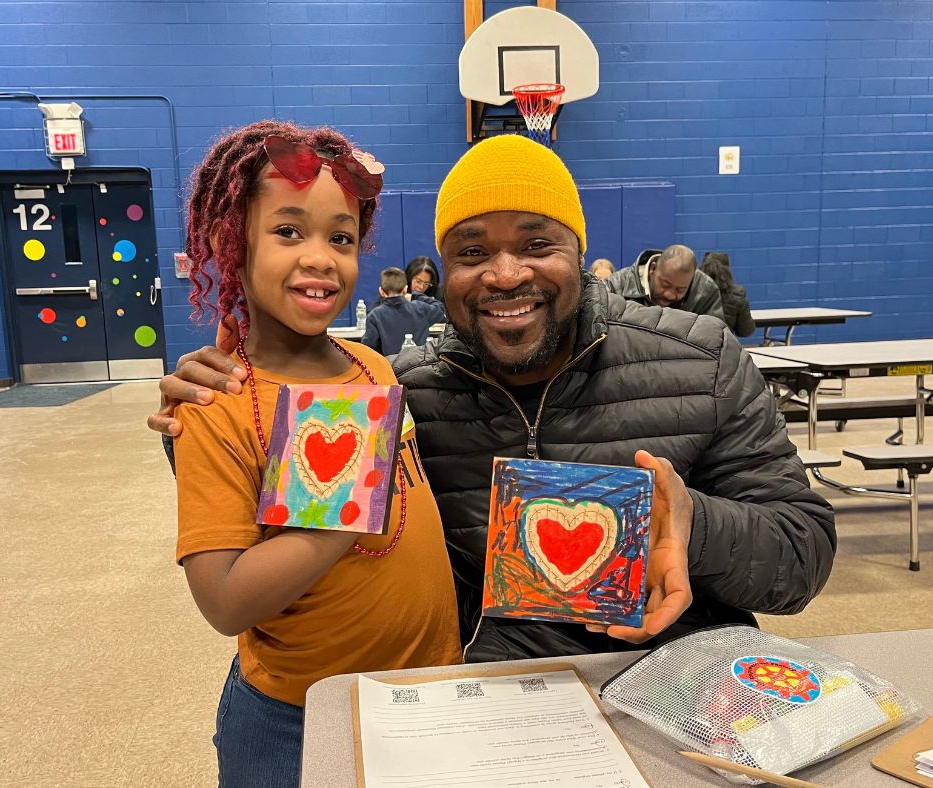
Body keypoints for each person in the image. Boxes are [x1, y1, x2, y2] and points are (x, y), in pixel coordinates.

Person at [149, 134, 836, 665]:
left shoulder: (703, 360)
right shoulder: (407, 389)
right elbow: (280, 478)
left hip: (675, 684)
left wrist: (691, 525)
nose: (506, 274)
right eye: (472, 251)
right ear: (442, 273)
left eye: (538, 244)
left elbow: (802, 557)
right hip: (486, 699)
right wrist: (210, 398)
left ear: (580, 251)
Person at [169, 120, 460, 786]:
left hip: (428, 687)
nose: (321, 257)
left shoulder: (373, 368)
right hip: (294, 718)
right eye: (288, 231)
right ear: (232, 244)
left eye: (341, 238)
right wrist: (350, 509)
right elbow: (224, 602)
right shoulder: (218, 399)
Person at [606, 244, 725, 321]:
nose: (670, 294)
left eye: (680, 290)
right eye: (665, 284)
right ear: (653, 269)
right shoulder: (615, 287)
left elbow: (714, 343)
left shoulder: (706, 291)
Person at [362, 266, 446, 355]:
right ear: (405, 289)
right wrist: (415, 296)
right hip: (420, 365)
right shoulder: (420, 308)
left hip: (390, 366)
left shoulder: (374, 316)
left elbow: (368, 349)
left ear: (381, 291)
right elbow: (440, 308)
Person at [700, 251, 756, 337]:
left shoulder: (693, 290)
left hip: (694, 346)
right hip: (723, 347)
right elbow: (745, 331)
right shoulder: (737, 294)